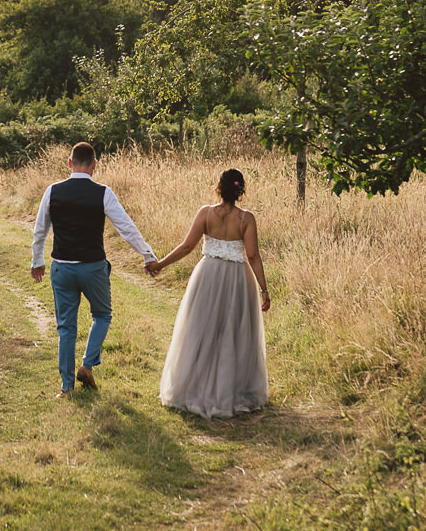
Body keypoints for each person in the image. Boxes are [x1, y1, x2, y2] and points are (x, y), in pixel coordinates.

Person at [29, 142, 159, 397]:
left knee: (66, 328)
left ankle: (66, 388)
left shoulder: (52, 191)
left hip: (62, 268)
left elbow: (40, 230)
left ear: (69, 163)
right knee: (102, 315)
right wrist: (148, 255)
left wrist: (37, 261)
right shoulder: (103, 193)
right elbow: (126, 228)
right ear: (94, 165)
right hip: (93, 268)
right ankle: (87, 365)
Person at [150, 167, 270, 418]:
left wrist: (160, 264)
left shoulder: (205, 213)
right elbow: (252, 255)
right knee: (232, 334)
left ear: (219, 188)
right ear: (241, 191)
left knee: (200, 330)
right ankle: (230, 392)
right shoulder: (246, 219)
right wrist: (264, 288)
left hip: (207, 277)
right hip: (238, 281)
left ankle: (193, 387)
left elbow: (186, 247)